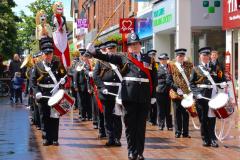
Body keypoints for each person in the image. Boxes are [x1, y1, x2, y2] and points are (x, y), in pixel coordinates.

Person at [86, 32, 157, 160]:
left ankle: (140, 152)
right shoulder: (123, 57)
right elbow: (107, 57)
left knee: (141, 126)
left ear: (140, 45)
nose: (134, 47)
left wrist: (153, 95)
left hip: (144, 97)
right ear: (128, 47)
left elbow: (154, 78)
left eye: (136, 44)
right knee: (130, 126)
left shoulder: (149, 59)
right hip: (129, 96)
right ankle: (131, 151)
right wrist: (94, 51)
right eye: (131, 45)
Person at [31, 40, 66, 146]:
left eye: (50, 53)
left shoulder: (58, 64)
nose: (48, 56)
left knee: (54, 116)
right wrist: (36, 92)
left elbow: (64, 76)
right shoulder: (37, 66)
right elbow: (33, 81)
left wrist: (64, 81)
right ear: (42, 54)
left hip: (55, 94)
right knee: (44, 116)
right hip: (42, 94)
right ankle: (46, 138)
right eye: (46, 54)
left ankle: (55, 138)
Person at [190, 47, 225, 148]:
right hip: (201, 96)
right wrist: (196, 94)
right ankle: (205, 139)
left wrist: (223, 83)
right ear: (200, 56)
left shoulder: (215, 67)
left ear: (210, 56)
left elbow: (220, 79)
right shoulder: (196, 69)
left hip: (212, 96)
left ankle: (213, 139)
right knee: (203, 119)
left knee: (212, 118)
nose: (206, 57)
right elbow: (191, 84)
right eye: (203, 55)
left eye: (207, 55)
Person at [93, 40, 122, 146]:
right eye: (109, 49)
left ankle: (117, 138)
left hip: (118, 92)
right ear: (107, 50)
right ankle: (110, 138)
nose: (111, 50)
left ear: (115, 49)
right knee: (108, 116)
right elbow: (95, 75)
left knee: (117, 116)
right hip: (106, 92)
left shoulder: (120, 60)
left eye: (113, 48)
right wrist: (102, 87)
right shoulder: (101, 61)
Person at [167, 48, 193, 138]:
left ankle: (185, 132)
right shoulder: (171, 65)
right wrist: (176, 88)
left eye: (182, 56)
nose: (181, 57)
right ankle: (178, 132)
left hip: (187, 93)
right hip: (176, 93)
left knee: (186, 113)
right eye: (179, 56)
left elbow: (192, 77)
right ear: (176, 57)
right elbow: (168, 80)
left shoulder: (189, 65)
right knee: (177, 113)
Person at [73, 49, 92, 121]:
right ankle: (83, 115)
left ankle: (90, 116)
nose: (85, 58)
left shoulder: (89, 64)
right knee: (81, 101)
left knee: (88, 101)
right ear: (81, 57)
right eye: (84, 56)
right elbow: (75, 76)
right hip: (81, 86)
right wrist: (75, 86)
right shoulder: (79, 64)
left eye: (87, 56)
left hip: (88, 86)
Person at [156, 53, 173, 131]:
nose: (164, 60)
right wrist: (165, 79)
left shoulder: (170, 67)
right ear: (160, 60)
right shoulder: (157, 68)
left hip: (168, 90)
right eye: (162, 59)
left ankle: (169, 125)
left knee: (168, 109)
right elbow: (157, 78)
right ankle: (161, 124)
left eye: (165, 59)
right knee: (160, 109)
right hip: (160, 90)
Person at [147, 50, 158, 126]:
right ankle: (149, 119)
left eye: (153, 55)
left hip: (155, 87)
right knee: (149, 105)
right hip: (148, 87)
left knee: (155, 105)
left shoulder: (156, 64)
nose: (152, 56)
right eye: (151, 55)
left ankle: (154, 120)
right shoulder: (147, 64)